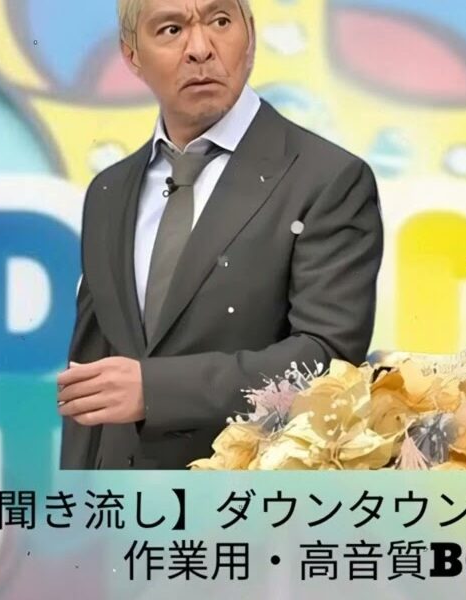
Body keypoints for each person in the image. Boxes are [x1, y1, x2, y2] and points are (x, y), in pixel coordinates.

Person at [57, 0, 383, 469]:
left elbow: (326, 360)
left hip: (251, 498)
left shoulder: (327, 178)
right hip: (124, 502)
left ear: (250, 34)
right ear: (131, 56)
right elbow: (91, 380)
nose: (200, 48)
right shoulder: (109, 191)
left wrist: (157, 390)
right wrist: (75, 504)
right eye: (171, 30)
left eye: (220, 21)